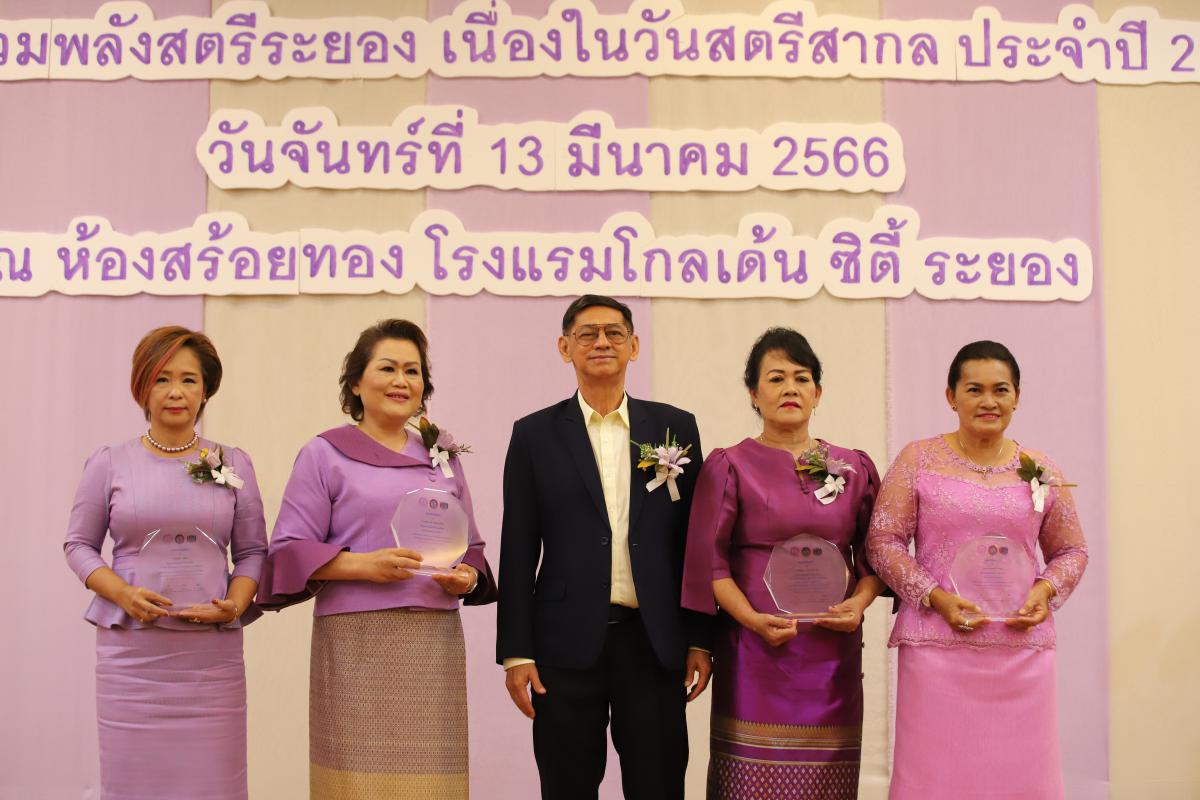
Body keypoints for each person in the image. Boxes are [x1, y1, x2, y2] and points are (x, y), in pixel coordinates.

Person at [256, 319, 496, 800]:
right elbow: (289, 548)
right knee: (356, 783)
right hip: (355, 640)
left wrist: (467, 577)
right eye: (387, 368)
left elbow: (470, 546)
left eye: (412, 370)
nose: (401, 381)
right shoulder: (324, 453)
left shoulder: (442, 456)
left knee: (432, 785)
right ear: (355, 383)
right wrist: (364, 566)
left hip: (434, 641)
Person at [497, 294, 713, 800]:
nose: (601, 342)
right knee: (567, 787)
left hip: (654, 641)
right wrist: (516, 652)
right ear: (564, 347)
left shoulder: (675, 427)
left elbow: (696, 542)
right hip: (563, 645)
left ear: (633, 346)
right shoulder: (533, 435)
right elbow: (518, 548)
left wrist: (701, 638)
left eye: (614, 333)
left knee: (658, 786)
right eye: (587, 334)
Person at [866, 340, 1088, 800]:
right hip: (937, 649)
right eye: (974, 389)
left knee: (1021, 780)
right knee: (935, 778)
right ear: (951, 396)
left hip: (1021, 651)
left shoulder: (1040, 468)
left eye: (1000, 390)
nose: (989, 401)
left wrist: (1044, 591)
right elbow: (883, 541)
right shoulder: (917, 459)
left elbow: (1072, 551)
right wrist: (935, 597)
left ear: (1017, 396)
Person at [63, 325, 267, 800]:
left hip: (211, 662)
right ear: (142, 387)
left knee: (213, 783)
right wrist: (122, 593)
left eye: (189, 380)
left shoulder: (233, 463)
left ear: (206, 389)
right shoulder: (110, 462)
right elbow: (78, 545)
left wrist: (235, 605)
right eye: (162, 379)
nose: (176, 391)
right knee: (135, 784)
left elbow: (253, 552)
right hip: (132, 658)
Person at [681, 327, 885, 799]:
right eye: (775, 378)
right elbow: (710, 565)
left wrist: (858, 605)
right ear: (753, 393)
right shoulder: (730, 465)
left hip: (831, 656)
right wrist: (752, 620)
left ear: (818, 392)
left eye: (801, 377)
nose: (790, 388)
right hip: (754, 651)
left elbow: (875, 561)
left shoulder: (853, 467)